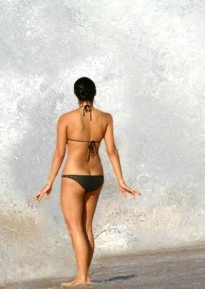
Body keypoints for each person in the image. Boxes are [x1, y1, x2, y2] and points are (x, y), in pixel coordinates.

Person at [35, 77, 140, 286]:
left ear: (76, 94)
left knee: (75, 228)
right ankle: (84, 274)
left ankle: (82, 278)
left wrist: (49, 182)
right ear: (95, 92)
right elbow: (111, 150)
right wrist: (121, 180)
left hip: (73, 176)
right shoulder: (106, 118)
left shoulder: (66, 119)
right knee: (86, 227)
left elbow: (59, 153)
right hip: (97, 176)